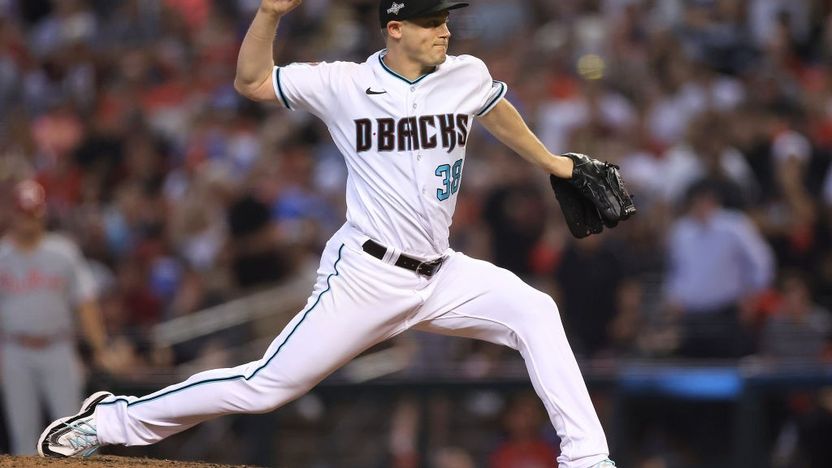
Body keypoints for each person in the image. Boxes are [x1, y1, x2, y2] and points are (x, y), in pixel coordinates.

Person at [38, 1, 615, 466]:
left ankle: (587, 458)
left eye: (445, 19)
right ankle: (110, 420)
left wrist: (557, 165)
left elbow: (497, 111)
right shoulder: (344, 84)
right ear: (395, 28)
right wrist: (268, 14)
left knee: (536, 311)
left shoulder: (465, 74)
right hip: (367, 274)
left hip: (442, 271)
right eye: (431, 21)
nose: (445, 30)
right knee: (264, 387)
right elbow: (252, 82)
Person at [0, 179, 109, 455]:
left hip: (58, 348)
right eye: (23, 212)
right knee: (22, 436)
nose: (28, 220)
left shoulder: (62, 252)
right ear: (11, 213)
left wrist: (100, 347)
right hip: (15, 351)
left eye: (33, 213)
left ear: (43, 213)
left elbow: (85, 302)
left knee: (76, 432)